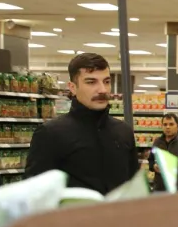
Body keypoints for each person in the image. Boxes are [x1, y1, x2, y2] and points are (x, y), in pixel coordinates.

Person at [25, 53, 137, 193]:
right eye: (91, 82)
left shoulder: (123, 131)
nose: (102, 90)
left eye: (106, 81)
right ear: (72, 87)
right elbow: (34, 193)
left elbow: (134, 186)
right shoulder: (51, 133)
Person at [148, 113, 178, 192]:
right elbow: (151, 160)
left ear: (177, 126)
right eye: (165, 124)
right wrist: (154, 166)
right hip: (159, 188)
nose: (168, 127)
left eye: (171, 124)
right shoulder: (157, 142)